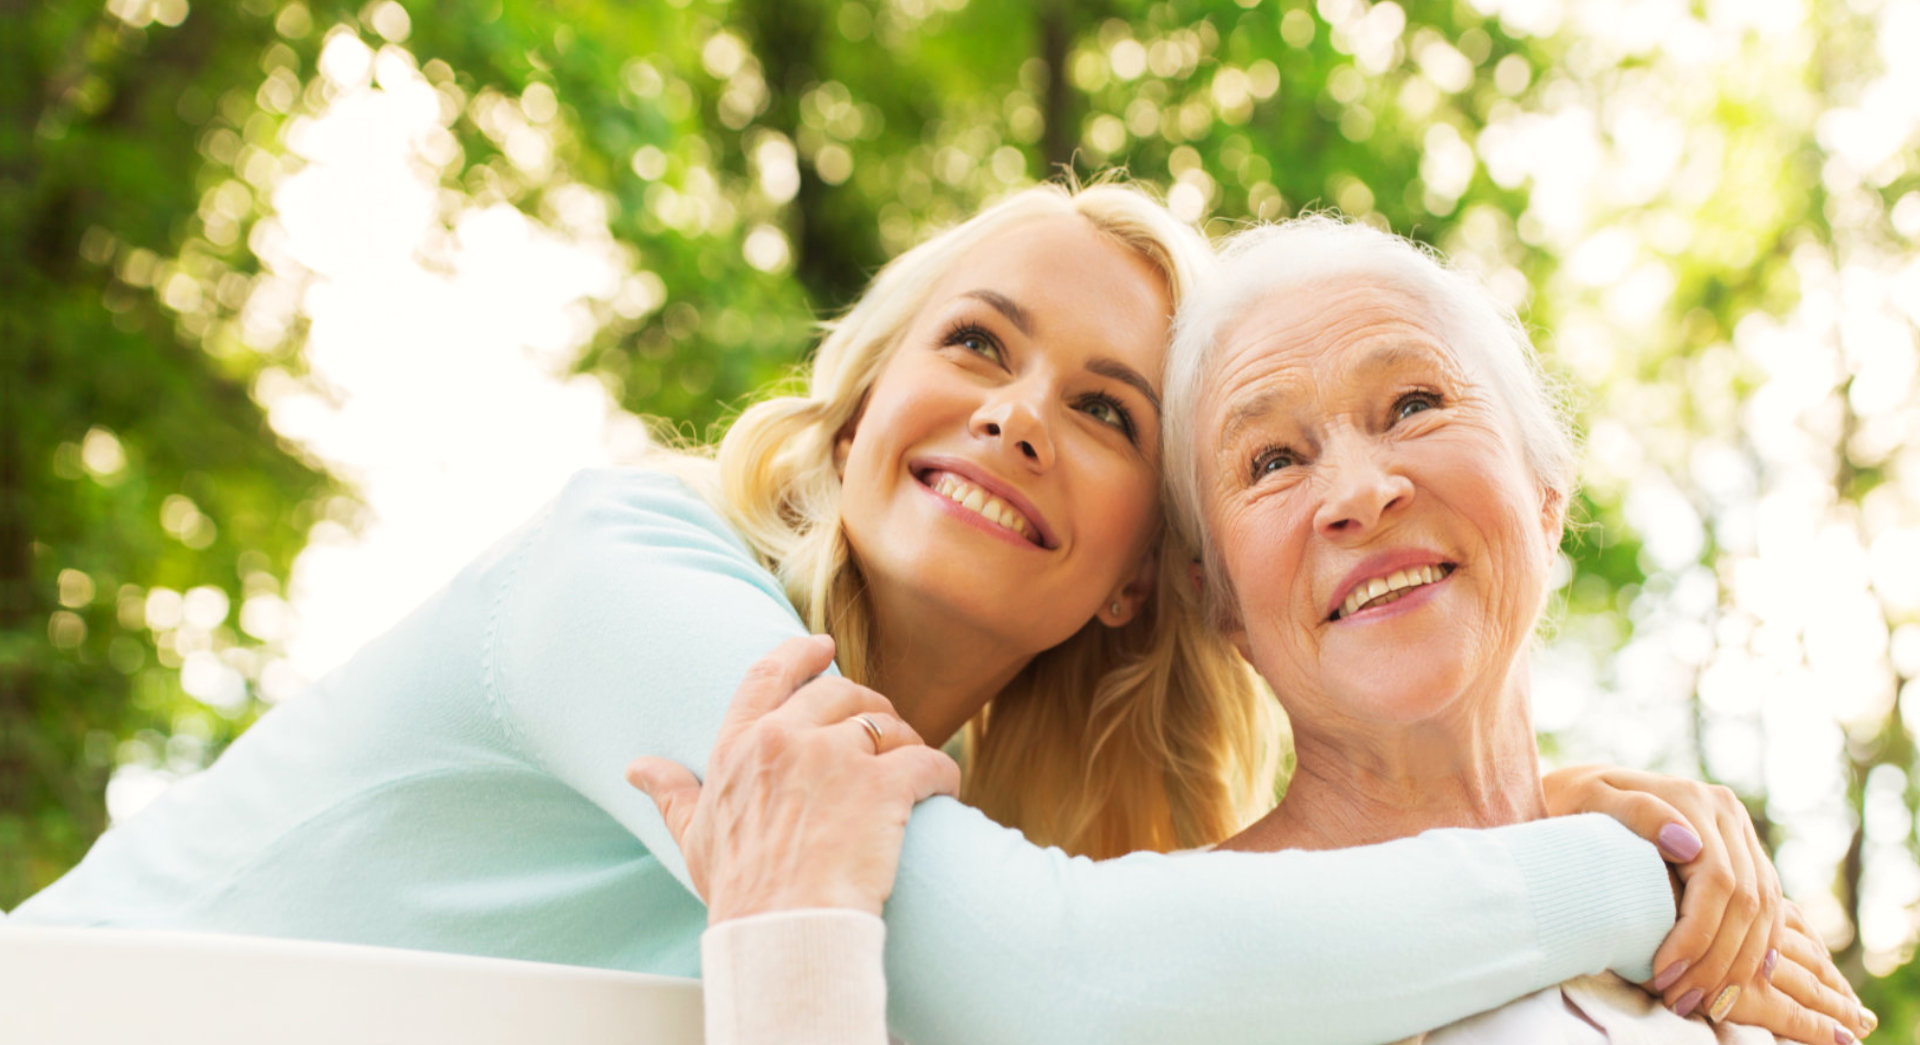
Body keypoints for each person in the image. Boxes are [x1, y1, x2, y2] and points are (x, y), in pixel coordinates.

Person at [14, 184, 1775, 1044]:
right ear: (854, 417)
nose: (1020, 411)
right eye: (978, 343)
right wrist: (1646, 877)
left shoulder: (913, 865)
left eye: (1106, 410)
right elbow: (1062, 967)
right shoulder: (610, 567)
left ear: (1140, 585)